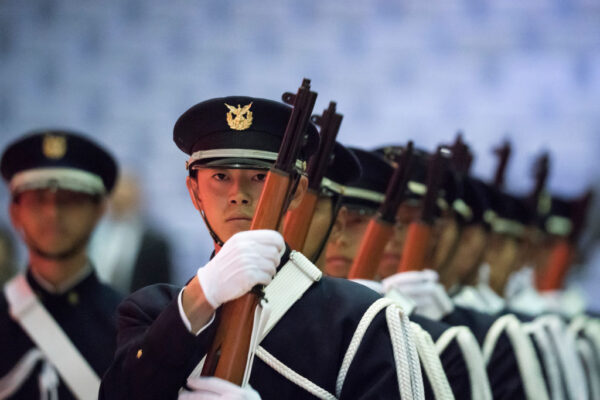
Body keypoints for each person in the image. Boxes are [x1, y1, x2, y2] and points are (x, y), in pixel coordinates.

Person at [100, 96, 424, 399]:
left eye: (258, 177)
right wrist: (202, 296)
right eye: (221, 177)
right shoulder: (150, 312)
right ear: (195, 192)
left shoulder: (357, 320)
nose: (238, 194)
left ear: (296, 192)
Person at [0, 130, 122, 399]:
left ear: (100, 209)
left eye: (70, 199)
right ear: (14, 212)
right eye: (37, 199)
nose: (52, 213)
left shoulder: (130, 328)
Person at [89, 171, 173, 294]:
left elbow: (163, 289)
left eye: (126, 196)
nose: (121, 200)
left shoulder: (155, 243)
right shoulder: (92, 235)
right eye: (117, 195)